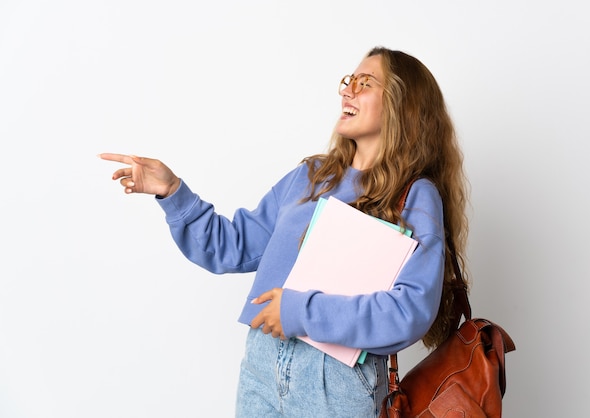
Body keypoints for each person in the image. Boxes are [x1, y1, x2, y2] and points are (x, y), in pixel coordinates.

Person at [99, 46, 469, 417]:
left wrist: (296, 310)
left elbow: (409, 312)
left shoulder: (416, 197)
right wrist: (172, 191)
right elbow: (233, 247)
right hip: (261, 366)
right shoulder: (311, 177)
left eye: (365, 82)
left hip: (337, 381)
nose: (347, 90)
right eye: (348, 81)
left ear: (403, 104)